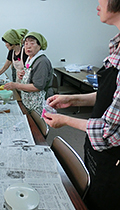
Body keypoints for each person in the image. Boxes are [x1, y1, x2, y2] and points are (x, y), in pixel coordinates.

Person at [43, 1, 120, 209]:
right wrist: (73, 99)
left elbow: (107, 129)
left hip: (113, 157)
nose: (97, 3)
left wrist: (65, 120)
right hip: (97, 150)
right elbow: (109, 96)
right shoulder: (116, 45)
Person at [4, 32, 53, 115]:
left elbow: (37, 86)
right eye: (26, 43)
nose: (28, 46)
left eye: (32, 43)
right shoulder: (30, 58)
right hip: (29, 101)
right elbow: (32, 76)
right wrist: (22, 74)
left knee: (38, 125)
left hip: (39, 102)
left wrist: (16, 85)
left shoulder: (41, 62)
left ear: (39, 45)